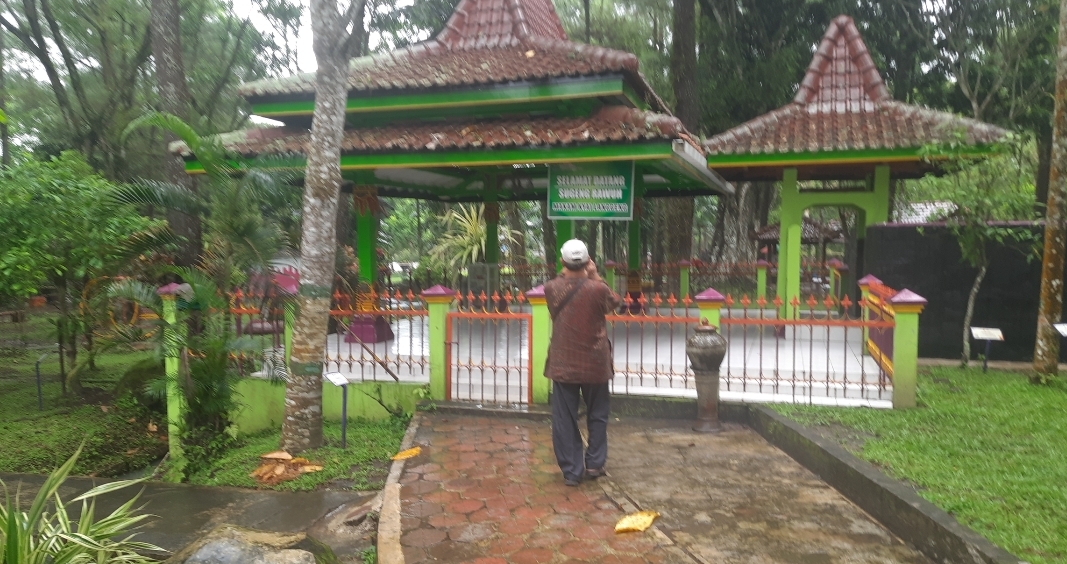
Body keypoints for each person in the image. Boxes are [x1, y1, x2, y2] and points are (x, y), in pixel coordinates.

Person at [544, 239, 622, 486]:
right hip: (595, 363)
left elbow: (559, 296)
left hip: (563, 361)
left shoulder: (550, 288)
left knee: (564, 418)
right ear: (589, 261)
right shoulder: (597, 289)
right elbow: (614, 304)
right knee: (597, 414)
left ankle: (571, 471)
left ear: (561, 262)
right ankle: (595, 464)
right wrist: (595, 275)